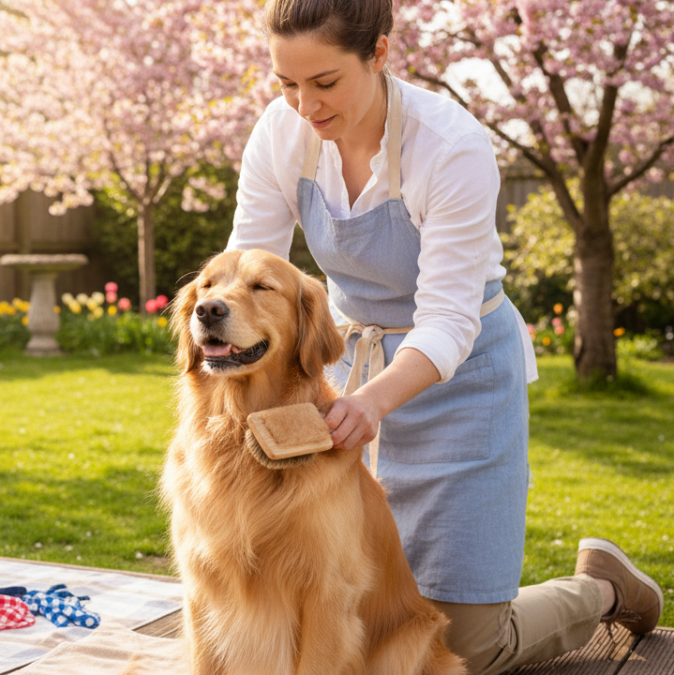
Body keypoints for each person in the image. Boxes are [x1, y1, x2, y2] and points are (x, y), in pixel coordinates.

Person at [225, 0, 664, 673]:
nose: (304, 106)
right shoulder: (281, 136)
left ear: (379, 53)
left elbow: (449, 320)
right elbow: (247, 270)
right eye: (286, 84)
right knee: (357, 605)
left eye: (325, 83)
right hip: (352, 375)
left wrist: (370, 403)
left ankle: (603, 587)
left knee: (462, 645)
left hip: (461, 382)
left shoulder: (449, 144)